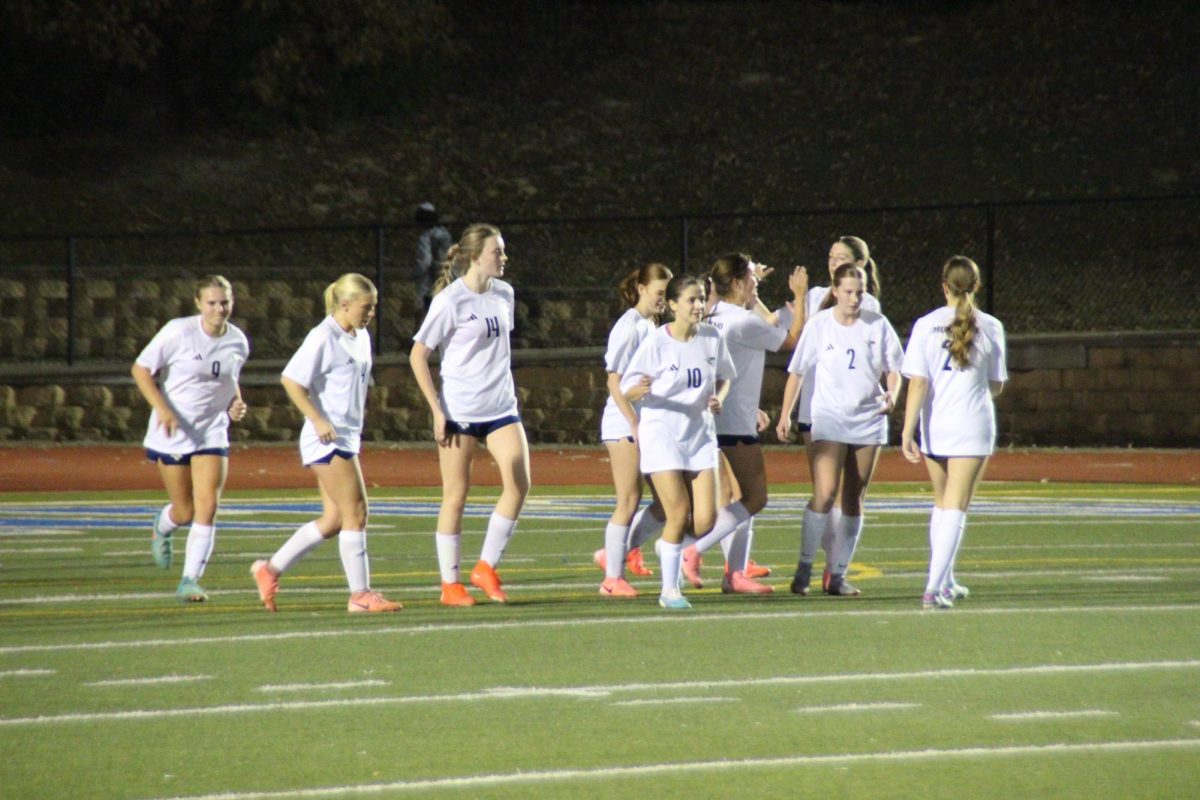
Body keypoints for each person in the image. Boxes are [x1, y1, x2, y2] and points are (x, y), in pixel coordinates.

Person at [250, 273, 401, 613]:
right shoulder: (322, 337)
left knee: (334, 519)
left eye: (374, 307)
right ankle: (360, 595)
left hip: (346, 437)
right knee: (357, 512)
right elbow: (291, 380)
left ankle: (268, 569)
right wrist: (318, 419)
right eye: (367, 307)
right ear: (345, 305)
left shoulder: (360, 336)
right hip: (325, 440)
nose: (372, 313)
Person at [410, 223, 530, 606]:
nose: (504, 258)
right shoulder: (451, 300)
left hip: (501, 408)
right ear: (477, 256)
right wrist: (436, 410)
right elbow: (418, 355)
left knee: (519, 484)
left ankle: (486, 567)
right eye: (498, 252)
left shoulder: (505, 294)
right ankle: (450, 585)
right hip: (459, 411)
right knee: (456, 496)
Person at [680, 254, 808, 594]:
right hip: (733, 420)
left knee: (737, 497)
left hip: (719, 417)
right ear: (736, 283)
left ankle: (734, 574)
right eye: (751, 277)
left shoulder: (714, 314)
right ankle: (692, 550)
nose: (756, 280)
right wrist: (800, 296)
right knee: (755, 497)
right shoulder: (741, 322)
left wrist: (755, 291)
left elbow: (757, 320)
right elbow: (793, 341)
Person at [777, 263, 903, 597]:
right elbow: (797, 371)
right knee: (825, 491)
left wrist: (892, 393)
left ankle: (837, 574)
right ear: (835, 291)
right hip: (830, 417)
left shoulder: (877, 325)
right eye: (847, 291)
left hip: (869, 418)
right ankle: (804, 566)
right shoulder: (820, 325)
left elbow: (894, 368)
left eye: (859, 292)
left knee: (854, 496)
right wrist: (785, 414)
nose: (853, 298)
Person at [620, 274, 736, 609]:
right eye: (691, 300)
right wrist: (635, 392)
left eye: (701, 298)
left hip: (700, 435)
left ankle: (666, 548)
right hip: (662, 434)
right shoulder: (657, 342)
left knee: (704, 522)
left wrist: (719, 397)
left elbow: (725, 377)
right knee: (677, 512)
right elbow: (625, 388)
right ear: (672, 305)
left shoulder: (712, 338)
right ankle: (669, 590)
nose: (699, 305)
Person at [132, 275, 249, 603]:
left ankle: (190, 580)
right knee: (184, 511)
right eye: (211, 303)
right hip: (173, 432)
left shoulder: (238, 341)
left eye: (224, 302)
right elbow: (140, 370)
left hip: (212, 430)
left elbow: (229, 380)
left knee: (207, 506)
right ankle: (163, 525)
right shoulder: (177, 331)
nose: (219, 309)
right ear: (198, 303)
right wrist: (162, 409)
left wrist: (235, 403)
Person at [901, 256, 1007, 609]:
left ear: (943, 285)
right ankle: (933, 587)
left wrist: (906, 430)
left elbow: (917, 382)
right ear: (977, 286)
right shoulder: (991, 326)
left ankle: (944, 581)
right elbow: (996, 385)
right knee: (956, 507)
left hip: (935, 424)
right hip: (972, 424)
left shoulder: (925, 324)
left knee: (942, 502)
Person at [594, 262, 673, 598]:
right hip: (623, 421)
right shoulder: (628, 326)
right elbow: (614, 381)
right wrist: (634, 420)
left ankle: (617, 552)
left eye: (668, 293)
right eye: (659, 293)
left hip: (643, 421)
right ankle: (612, 578)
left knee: (668, 502)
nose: (664, 300)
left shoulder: (650, 324)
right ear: (641, 289)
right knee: (628, 499)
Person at [413, 202, 453, 318]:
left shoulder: (425, 237)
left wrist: (415, 274)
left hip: (430, 280)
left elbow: (425, 261)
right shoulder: (445, 233)